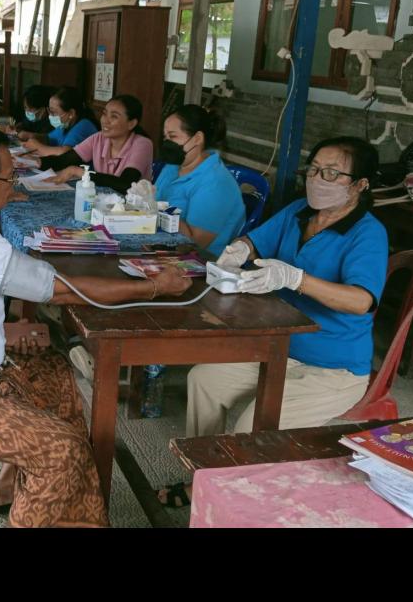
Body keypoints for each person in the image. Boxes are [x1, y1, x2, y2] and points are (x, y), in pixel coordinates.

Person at [0, 125, 192, 527]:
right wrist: (153, 286)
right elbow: (65, 290)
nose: (13, 186)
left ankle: (8, 489)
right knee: (62, 451)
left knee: (54, 373)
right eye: (8, 179)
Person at [160, 136, 389, 509]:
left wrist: (296, 278)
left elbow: (361, 301)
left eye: (332, 173)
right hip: (277, 347)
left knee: (251, 425)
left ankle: (228, 499)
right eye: (314, 169)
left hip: (332, 368)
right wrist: (240, 249)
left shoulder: (368, 233)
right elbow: (255, 241)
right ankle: (205, 476)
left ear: (360, 185)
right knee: (203, 381)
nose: (318, 179)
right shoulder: (299, 211)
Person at [155, 104, 245, 256]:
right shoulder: (173, 166)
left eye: (173, 136)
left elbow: (193, 244)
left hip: (199, 260)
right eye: (165, 137)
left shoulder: (216, 182)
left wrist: (156, 208)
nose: (167, 143)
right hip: (160, 243)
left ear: (197, 138)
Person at [38, 94, 154, 192]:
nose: (105, 120)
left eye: (114, 116)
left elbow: (125, 184)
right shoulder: (99, 138)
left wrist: (77, 171)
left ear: (131, 124)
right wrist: (34, 162)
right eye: (104, 113)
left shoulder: (143, 144)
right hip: (103, 201)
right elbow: (64, 160)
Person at [22, 86, 98, 154]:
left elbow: (65, 152)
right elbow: (48, 138)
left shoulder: (85, 125)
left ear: (71, 113)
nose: (50, 115)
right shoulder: (65, 125)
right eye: (49, 111)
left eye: (53, 112)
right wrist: (30, 136)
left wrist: (38, 147)